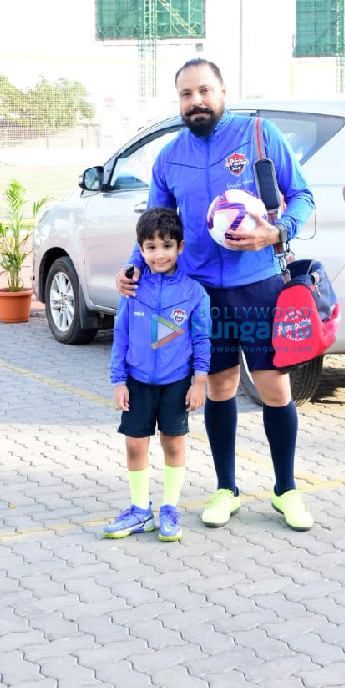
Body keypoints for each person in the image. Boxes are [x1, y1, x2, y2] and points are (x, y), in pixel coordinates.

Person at [117, 58, 316, 531]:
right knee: (219, 387)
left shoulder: (258, 136)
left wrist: (276, 232)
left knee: (274, 388)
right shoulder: (169, 157)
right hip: (202, 294)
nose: (196, 101)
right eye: (186, 95)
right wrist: (134, 262)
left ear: (222, 92)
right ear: (179, 102)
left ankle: (286, 490)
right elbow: (155, 223)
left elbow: (303, 195)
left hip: (259, 286)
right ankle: (227, 488)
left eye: (204, 91)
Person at [104, 207, 210, 542]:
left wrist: (199, 382)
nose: (158, 254)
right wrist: (118, 380)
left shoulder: (194, 293)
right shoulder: (132, 287)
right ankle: (139, 511)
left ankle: (169, 508)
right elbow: (120, 334)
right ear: (141, 249)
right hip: (137, 382)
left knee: (173, 444)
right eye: (150, 247)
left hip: (177, 382)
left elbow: (201, 339)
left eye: (166, 246)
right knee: (135, 445)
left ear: (179, 247)